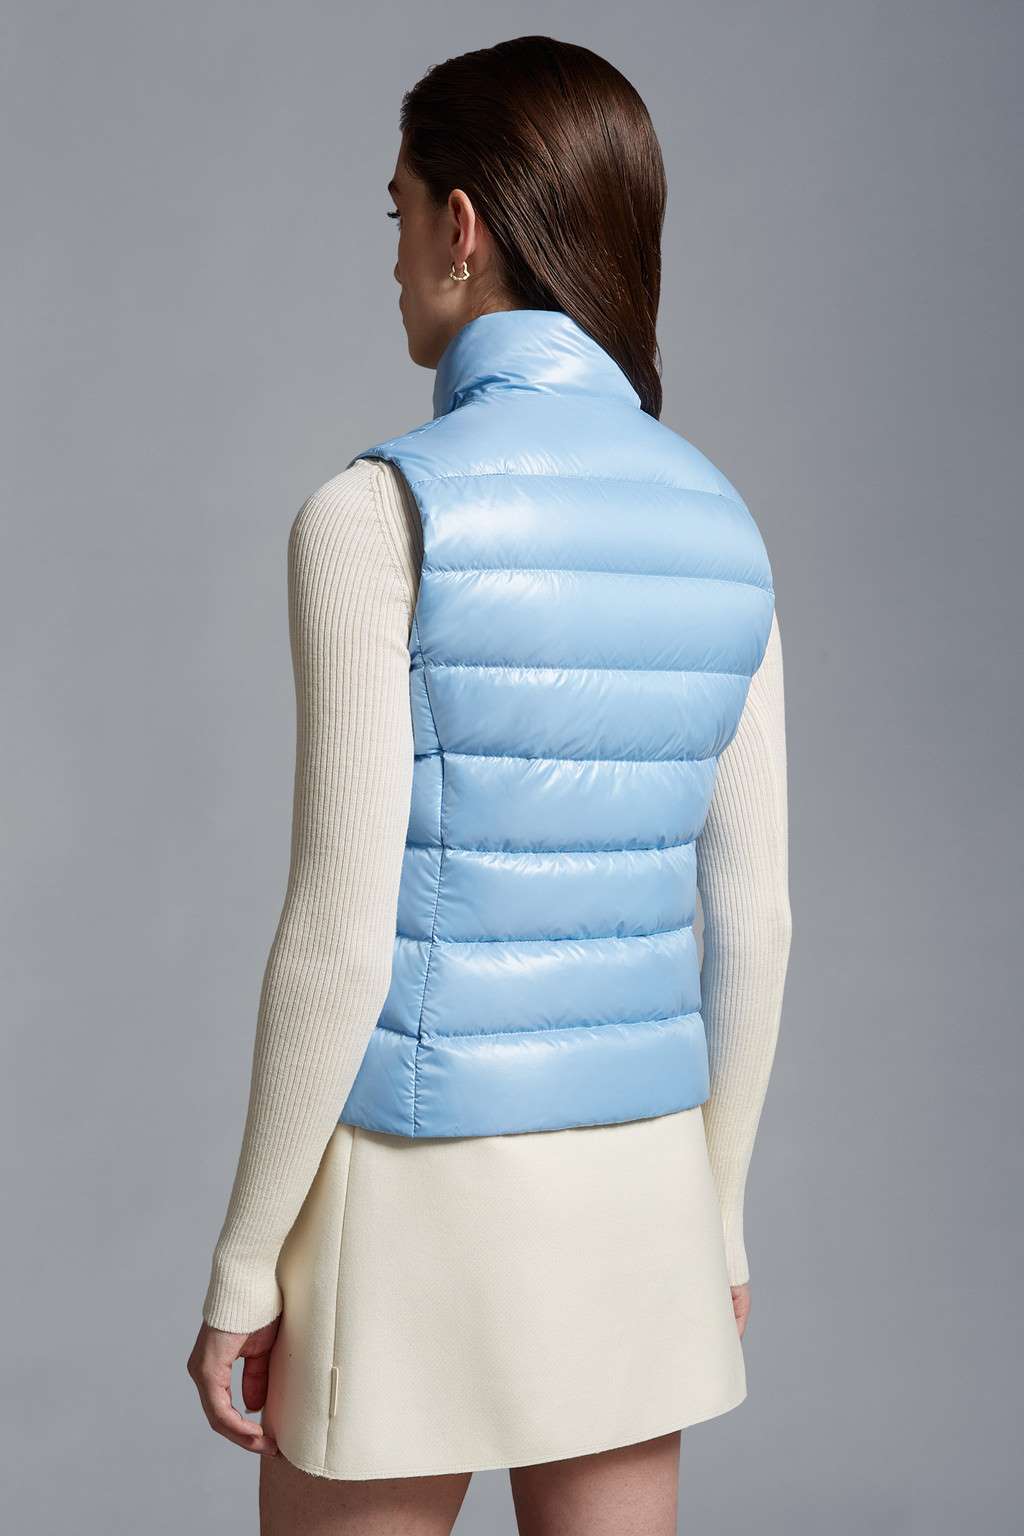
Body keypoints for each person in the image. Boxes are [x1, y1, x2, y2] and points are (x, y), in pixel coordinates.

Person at [187, 35, 792, 1536]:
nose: (391, 255)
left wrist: (246, 1260)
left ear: (462, 227)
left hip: (418, 1195)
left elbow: (341, 938)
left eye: (396, 211)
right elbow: (758, 921)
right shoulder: (726, 529)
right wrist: (716, 1212)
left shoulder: (374, 515)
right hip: (644, 1195)